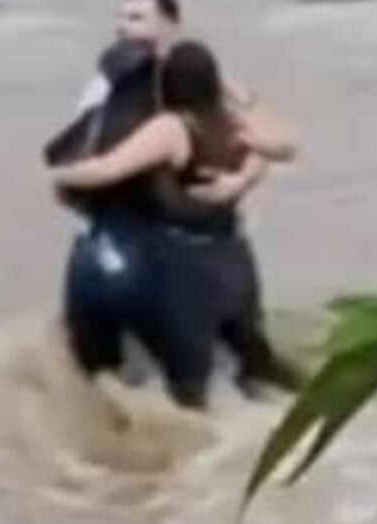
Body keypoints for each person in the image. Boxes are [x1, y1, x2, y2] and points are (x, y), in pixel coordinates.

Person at [50, 39, 300, 409]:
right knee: (255, 369)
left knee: (185, 393)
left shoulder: (173, 128)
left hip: (182, 270)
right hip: (231, 261)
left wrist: (57, 174)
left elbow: (107, 170)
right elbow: (283, 147)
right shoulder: (231, 122)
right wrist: (241, 181)